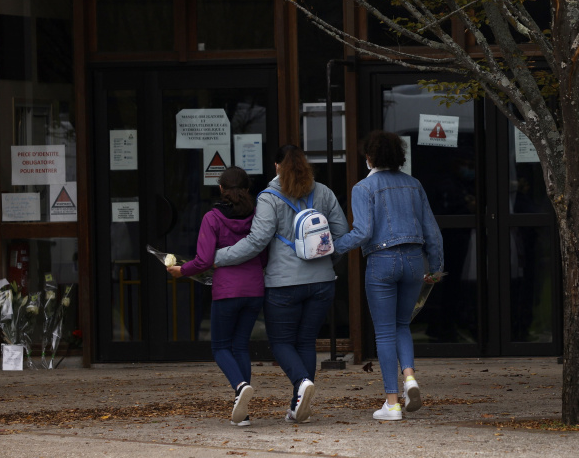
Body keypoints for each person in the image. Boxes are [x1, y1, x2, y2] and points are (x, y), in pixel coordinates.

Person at [214, 144, 349, 424]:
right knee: (306, 342)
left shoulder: (269, 197)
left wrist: (218, 257)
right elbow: (342, 233)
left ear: (276, 166)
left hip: (283, 285)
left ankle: (301, 383)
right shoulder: (323, 192)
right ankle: (298, 406)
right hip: (322, 282)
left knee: (281, 343)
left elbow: (256, 242)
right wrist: (327, 261)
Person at [335, 130, 443, 421]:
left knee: (384, 332)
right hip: (414, 261)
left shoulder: (363, 188)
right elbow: (432, 231)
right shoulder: (414, 184)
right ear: (399, 156)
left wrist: (333, 248)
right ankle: (410, 378)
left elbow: (362, 232)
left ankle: (392, 403)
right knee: (402, 325)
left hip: (382, 262)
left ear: (369, 157)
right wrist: (435, 268)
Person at [170, 167, 266, 426]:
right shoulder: (257, 217)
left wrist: (181, 271)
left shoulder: (212, 218)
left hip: (227, 291)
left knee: (220, 347)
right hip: (254, 289)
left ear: (221, 189)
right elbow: (264, 254)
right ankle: (243, 413)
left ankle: (240, 386)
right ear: (247, 189)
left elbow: (203, 260)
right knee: (240, 346)